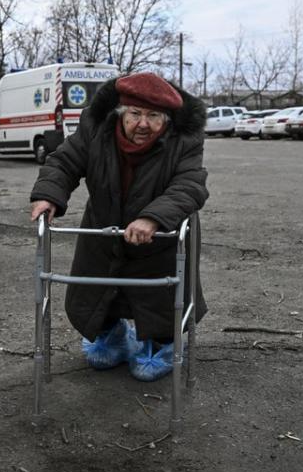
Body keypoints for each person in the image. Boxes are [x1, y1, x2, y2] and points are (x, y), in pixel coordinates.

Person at [30, 72, 208, 381]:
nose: (143, 124)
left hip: (160, 239)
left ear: (166, 119)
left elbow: (190, 184)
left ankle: (161, 343)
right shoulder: (96, 129)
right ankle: (111, 335)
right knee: (96, 294)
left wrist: (152, 218)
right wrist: (49, 196)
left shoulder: (184, 141)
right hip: (103, 229)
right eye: (135, 114)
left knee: (160, 303)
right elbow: (65, 161)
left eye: (154, 116)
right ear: (120, 113)